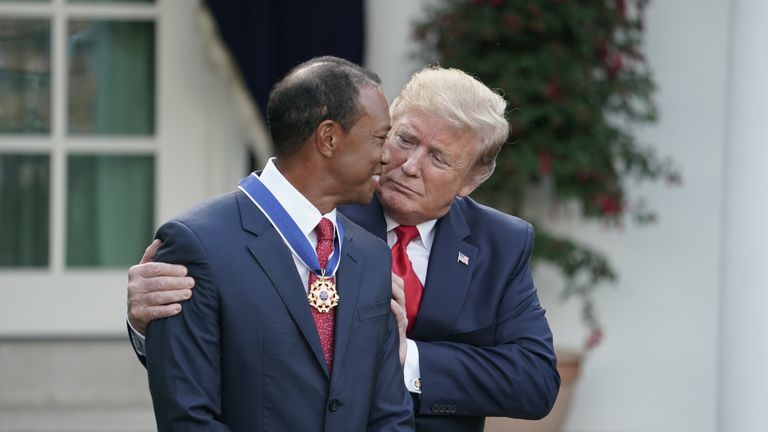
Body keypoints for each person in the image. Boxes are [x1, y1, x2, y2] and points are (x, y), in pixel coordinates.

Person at [128, 66, 559, 432]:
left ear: (470, 182)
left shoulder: (501, 243)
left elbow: (536, 381)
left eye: (438, 158)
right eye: (403, 140)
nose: (408, 166)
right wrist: (150, 327)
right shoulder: (316, 214)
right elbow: (232, 362)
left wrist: (405, 356)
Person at [136, 56, 414, 431]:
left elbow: (391, 416)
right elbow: (188, 419)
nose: (388, 158)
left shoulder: (371, 254)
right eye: (381, 138)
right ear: (328, 138)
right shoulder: (197, 245)